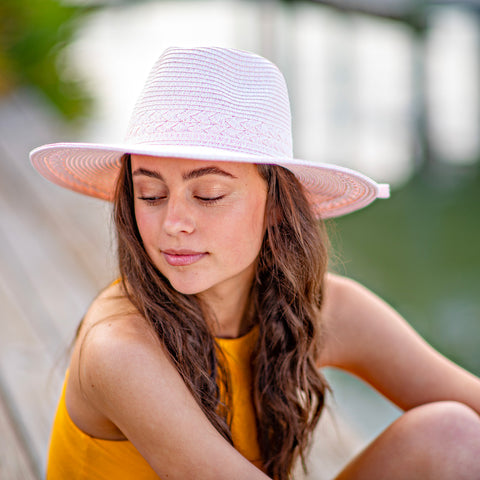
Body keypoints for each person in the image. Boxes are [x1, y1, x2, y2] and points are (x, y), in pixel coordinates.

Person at [31, 47, 480, 480]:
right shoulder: (119, 349)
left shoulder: (321, 307)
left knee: (454, 437)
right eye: (150, 193)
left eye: (208, 194)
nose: (173, 223)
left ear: (277, 206)